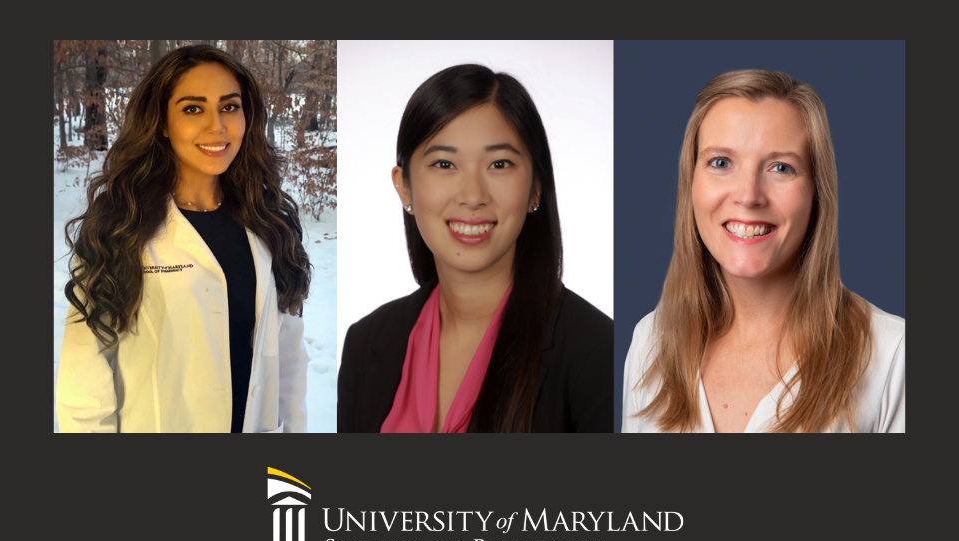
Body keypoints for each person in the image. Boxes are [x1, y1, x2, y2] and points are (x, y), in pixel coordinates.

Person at [622, 69, 904, 433]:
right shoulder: (651, 343)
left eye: (781, 167)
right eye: (721, 162)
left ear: (817, 192)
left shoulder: (893, 357)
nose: (748, 195)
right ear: (691, 182)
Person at [338, 64, 613, 433]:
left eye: (499, 164)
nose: (472, 196)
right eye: (444, 164)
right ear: (404, 186)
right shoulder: (365, 342)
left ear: (535, 188)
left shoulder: (600, 353)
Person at [56, 44, 311, 433]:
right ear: (162, 122)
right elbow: (84, 375)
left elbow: (289, 356)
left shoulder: (269, 222)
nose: (218, 126)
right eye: (193, 109)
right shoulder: (120, 227)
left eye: (229, 106)